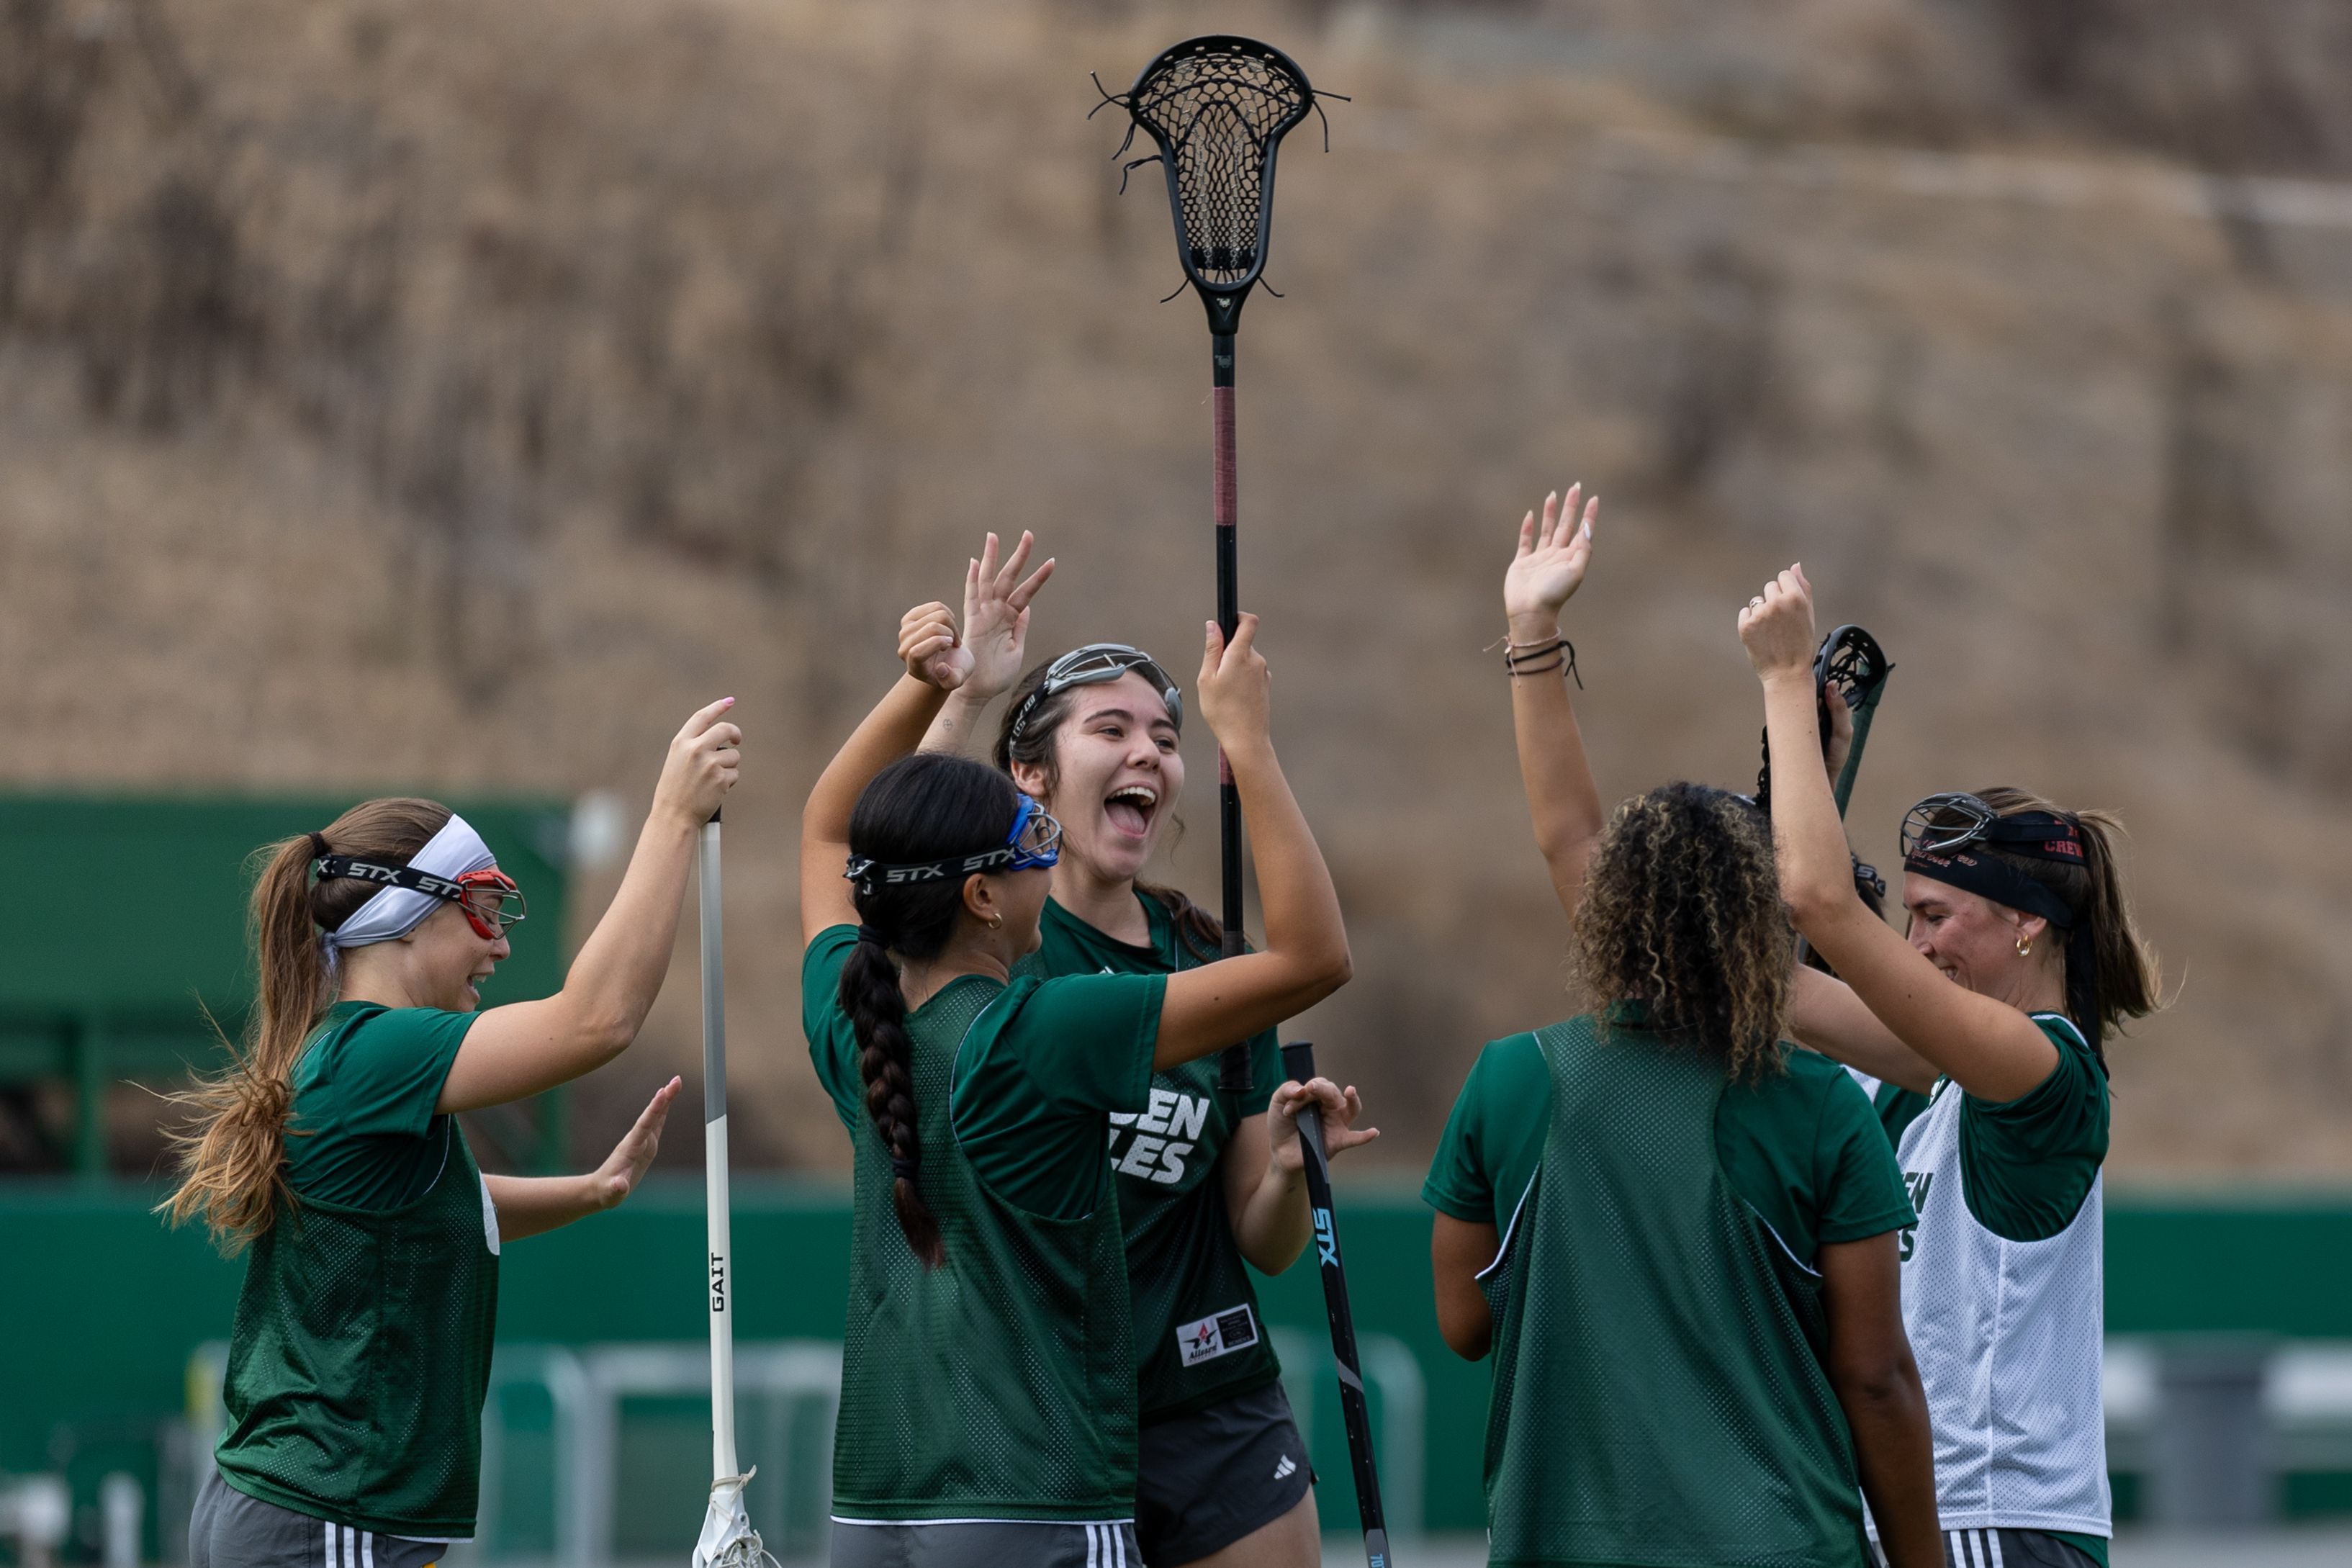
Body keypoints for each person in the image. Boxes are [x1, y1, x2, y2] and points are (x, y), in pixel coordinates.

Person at [798, 536, 1352, 1568]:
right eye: (1110, 726)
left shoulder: (858, 1002)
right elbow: (1317, 957)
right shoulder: (1035, 1018)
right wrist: (1254, 746)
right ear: (1028, 780)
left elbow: (834, 838)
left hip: (1148, 1417)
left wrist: (1280, 1169)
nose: (1149, 749)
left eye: (1168, 733)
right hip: (1044, 1444)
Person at [1424, 487, 1942, 1568]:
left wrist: (1531, 633)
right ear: (1770, 919)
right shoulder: (1816, 1107)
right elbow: (1874, 1375)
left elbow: (1468, 1328)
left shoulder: (1509, 1079)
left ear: (1606, 910)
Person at [163, 700, 743, 1568]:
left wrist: (593, 1192)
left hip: (309, 1513)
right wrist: (669, 815)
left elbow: (448, 1211)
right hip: (333, 1517)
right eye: (482, 908)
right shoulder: (377, 1050)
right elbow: (598, 1020)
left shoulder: (359, 1061)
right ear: (405, 912)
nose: (499, 947)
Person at [1742, 563, 2163, 1568]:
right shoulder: (1927, 1073)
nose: (1914, 944)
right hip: (1921, 1520)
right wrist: (1819, 763)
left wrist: (1781, 680)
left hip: (1994, 1523)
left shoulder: (2043, 1074)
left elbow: (1817, 902)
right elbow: (1766, 974)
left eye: (1934, 916)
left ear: (2025, 923)